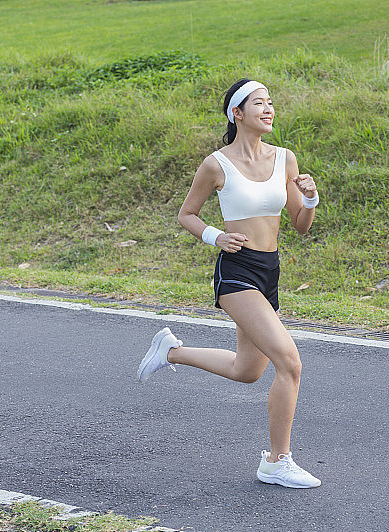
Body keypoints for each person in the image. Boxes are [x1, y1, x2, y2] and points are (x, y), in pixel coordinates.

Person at [136, 78, 322, 489]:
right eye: (259, 103)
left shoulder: (285, 159)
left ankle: (172, 352)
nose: (269, 109)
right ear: (237, 113)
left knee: (247, 371)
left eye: (271, 102)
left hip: (268, 269)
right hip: (236, 273)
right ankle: (277, 461)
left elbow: (300, 226)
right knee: (289, 363)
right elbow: (187, 214)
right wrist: (215, 236)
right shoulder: (216, 164)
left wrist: (309, 199)